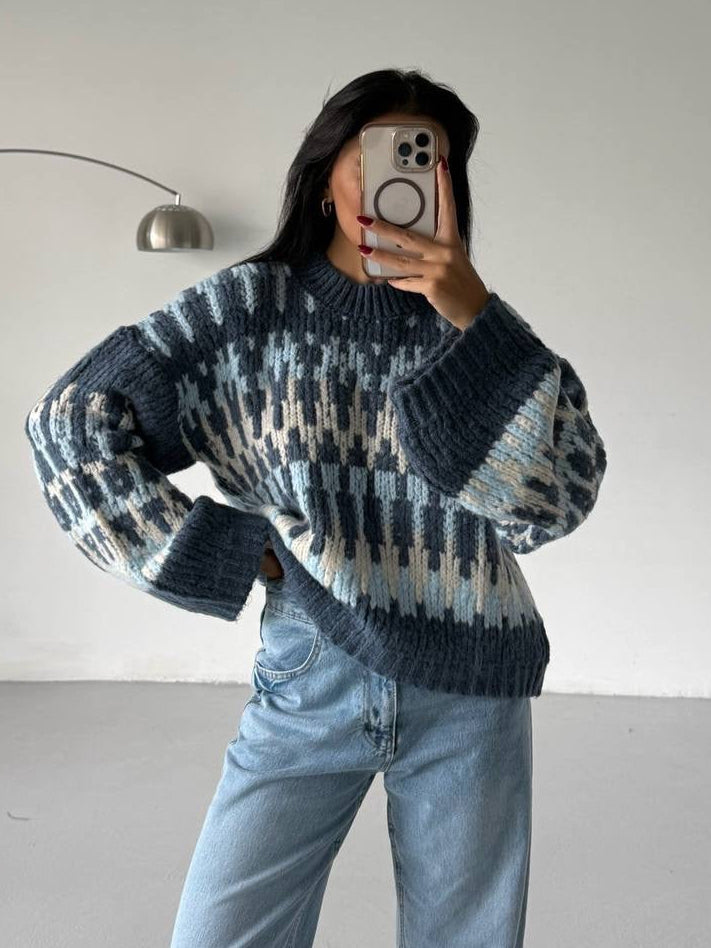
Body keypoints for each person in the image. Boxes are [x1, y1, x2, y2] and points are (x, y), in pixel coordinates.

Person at [24, 68, 607, 947]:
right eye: (376, 155)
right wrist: (217, 549)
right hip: (311, 667)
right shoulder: (243, 311)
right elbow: (69, 423)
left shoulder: (480, 330)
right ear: (325, 176)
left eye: (430, 162)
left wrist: (475, 320)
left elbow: (555, 503)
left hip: (471, 683)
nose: (402, 179)